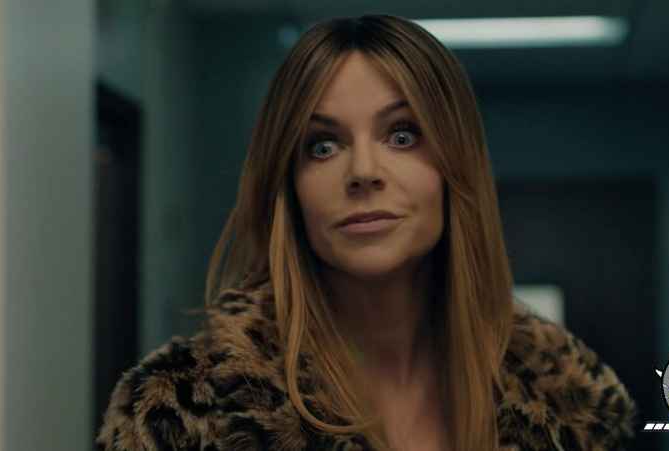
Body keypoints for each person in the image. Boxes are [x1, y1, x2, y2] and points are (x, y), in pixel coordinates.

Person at [96, 14, 638, 451]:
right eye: (322, 146)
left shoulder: (568, 402)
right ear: (290, 187)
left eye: (402, 135)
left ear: (456, 169)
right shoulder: (185, 414)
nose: (362, 171)